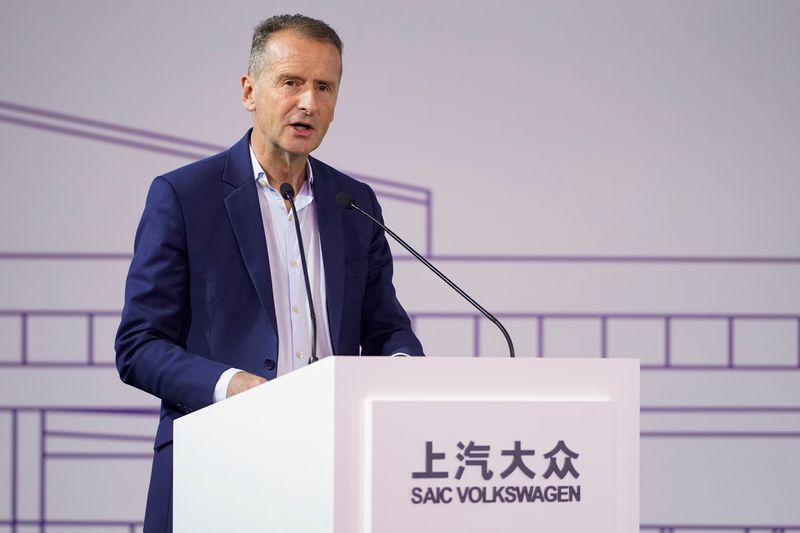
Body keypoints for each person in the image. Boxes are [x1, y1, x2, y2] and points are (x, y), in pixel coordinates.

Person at [115, 14, 423, 532]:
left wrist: (403, 366)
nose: (309, 102)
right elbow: (139, 346)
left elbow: (384, 325)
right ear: (249, 91)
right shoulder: (184, 197)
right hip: (217, 465)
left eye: (324, 87)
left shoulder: (355, 203)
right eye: (291, 82)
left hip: (334, 469)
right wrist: (232, 386)